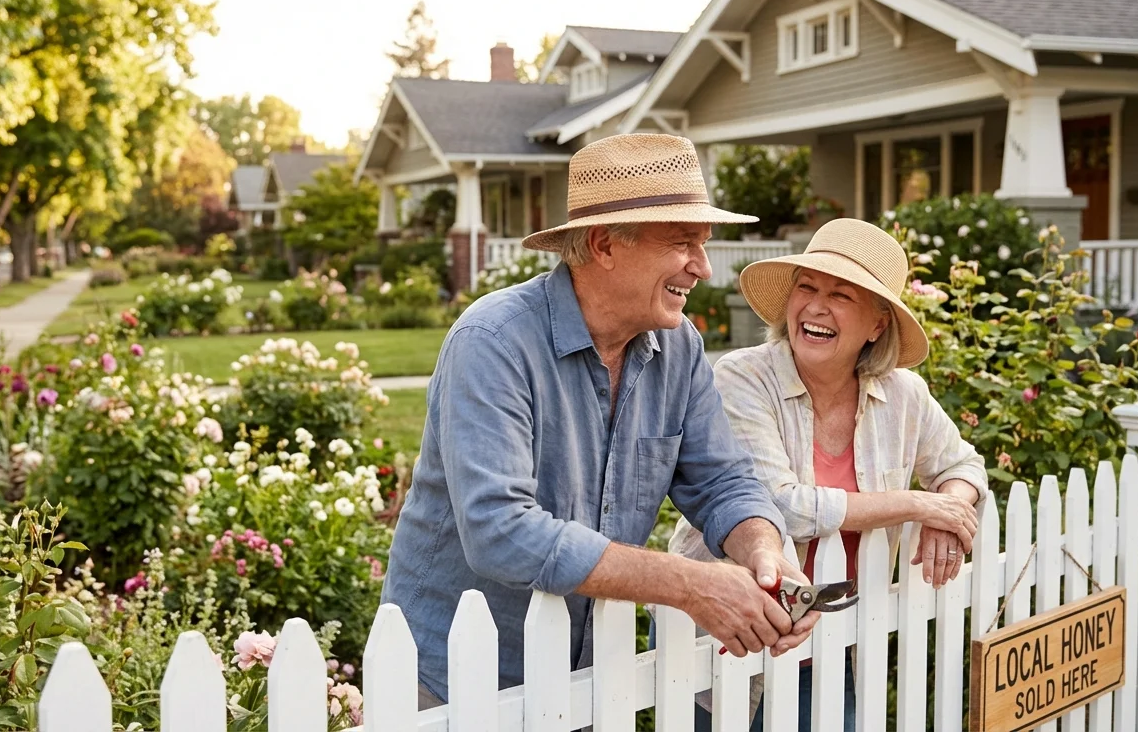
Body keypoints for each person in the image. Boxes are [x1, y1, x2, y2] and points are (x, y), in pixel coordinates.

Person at [382, 133, 820, 708]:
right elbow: (499, 530)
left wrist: (763, 550)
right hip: (448, 683)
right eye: (684, 242)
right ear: (604, 244)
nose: (703, 267)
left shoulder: (679, 345)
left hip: (581, 683)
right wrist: (690, 585)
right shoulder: (493, 342)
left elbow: (721, 482)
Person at [670, 217, 988, 732]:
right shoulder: (742, 377)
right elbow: (780, 505)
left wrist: (949, 507)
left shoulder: (903, 394)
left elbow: (964, 465)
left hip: (836, 647)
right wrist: (919, 505)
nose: (816, 307)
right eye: (807, 287)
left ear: (877, 324)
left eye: (841, 296)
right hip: (727, 640)